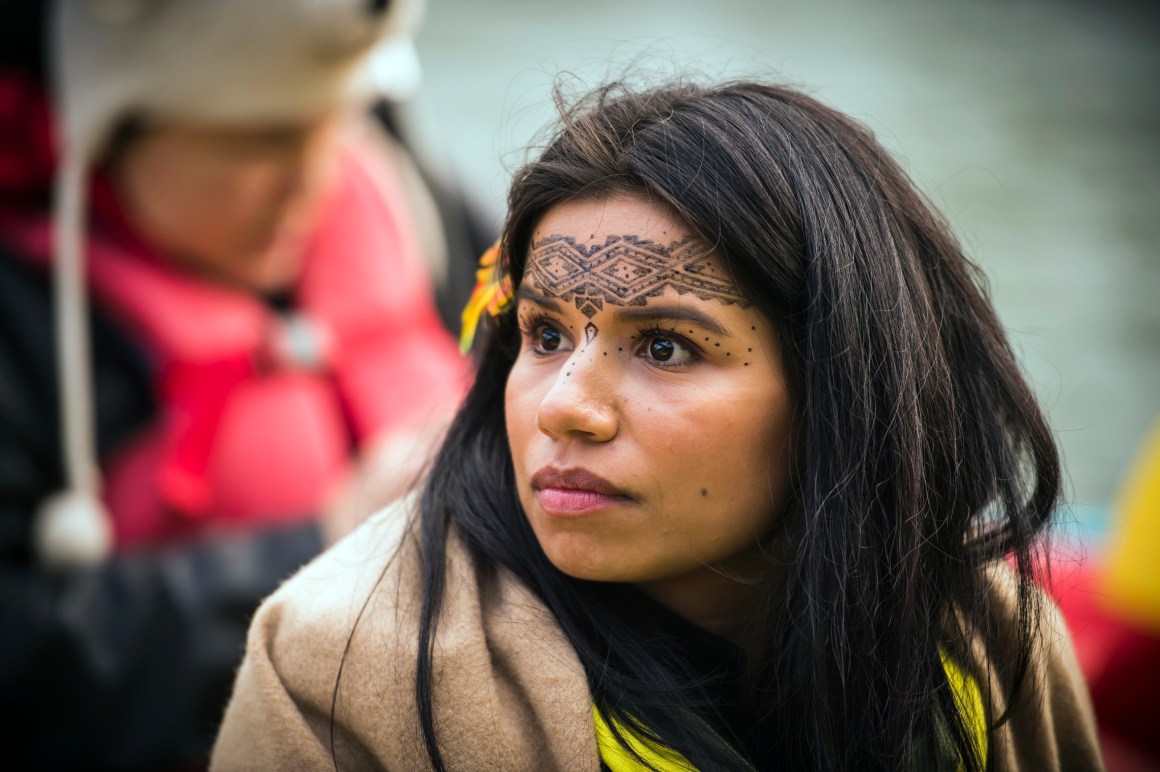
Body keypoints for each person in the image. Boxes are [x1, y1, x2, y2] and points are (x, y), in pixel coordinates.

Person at [211, 81, 1104, 771]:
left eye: (667, 348)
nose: (566, 404)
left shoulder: (985, 634)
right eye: (544, 334)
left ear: (840, 387)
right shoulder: (338, 674)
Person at [0, 0, 469, 768]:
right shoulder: (24, 321)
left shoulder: (401, 185)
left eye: (338, 121)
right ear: (114, 128)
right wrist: (326, 548)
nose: (314, 180)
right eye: (261, 138)